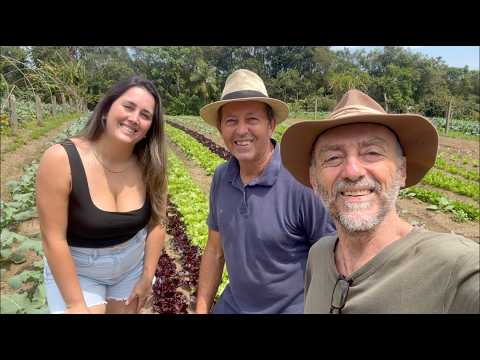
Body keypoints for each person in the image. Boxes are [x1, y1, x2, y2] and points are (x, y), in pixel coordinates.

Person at [280, 89, 479, 314]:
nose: (352, 171)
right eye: (333, 158)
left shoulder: (458, 268)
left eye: (372, 152)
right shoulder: (319, 255)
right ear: (314, 180)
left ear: (402, 170)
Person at [195, 69, 336, 314]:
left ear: (271, 125)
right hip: (234, 304)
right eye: (231, 121)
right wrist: (202, 307)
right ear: (220, 128)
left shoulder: (302, 182)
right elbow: (215, 250)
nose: (241, 130)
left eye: (252, 119)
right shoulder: (221, 177)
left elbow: (332, 260)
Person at [36, 76, 167, 314]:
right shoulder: (61, 159)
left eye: (145, 115)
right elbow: (53, 239)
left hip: (131, 266)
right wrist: (75, 304)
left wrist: (147, 276)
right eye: (128, 107)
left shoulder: (151, 165)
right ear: (106, 109)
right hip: (79, 268)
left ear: (150, 128)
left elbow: (157, 224)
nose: (134, 118)